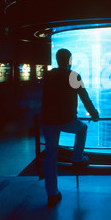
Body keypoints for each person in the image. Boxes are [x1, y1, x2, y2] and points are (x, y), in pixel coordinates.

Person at [41, 48, 99, 208]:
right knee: (82, 129)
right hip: (66, 119)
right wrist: (94, 113)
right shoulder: (73, 75)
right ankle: (77, 159)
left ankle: (52, 194)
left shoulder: (48, 75)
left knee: (50, 157)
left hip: (47, 121)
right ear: (69, 60)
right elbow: (84, 97)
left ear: (57, 59)